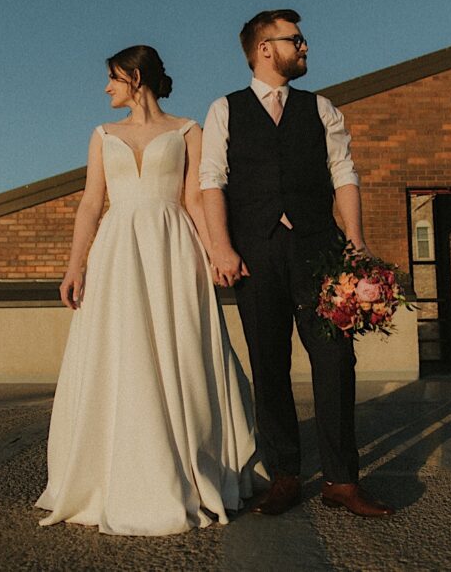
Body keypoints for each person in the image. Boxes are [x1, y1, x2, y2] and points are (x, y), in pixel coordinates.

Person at [36, 45, 262, 536]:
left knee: (177, 348)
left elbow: (195, 199)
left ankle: (191, 464)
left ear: (135, 78)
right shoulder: (102, 134)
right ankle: (112, 472)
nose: (106, 89)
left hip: (173, 247)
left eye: (112, 79)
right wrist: (75, 265)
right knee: (120, 350)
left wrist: (216, 253)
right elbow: (91, 203)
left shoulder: (187, 130)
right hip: (117, 251)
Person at [200, 9, 393, 518]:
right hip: (255, 254)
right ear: (266, 48)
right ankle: (284, 475)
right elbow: (211, 181)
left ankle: (341, 481)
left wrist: (355, 241)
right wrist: (221, 247)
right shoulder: (226, 108)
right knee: (269, 366)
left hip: (321, 251)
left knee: (335, 363)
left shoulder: (322, 107)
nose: (305, 47)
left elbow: (344, 173)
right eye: (296, 39)